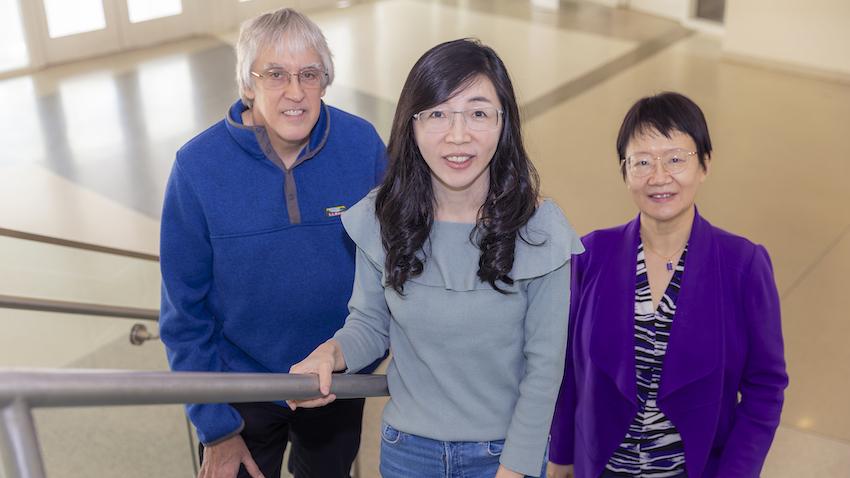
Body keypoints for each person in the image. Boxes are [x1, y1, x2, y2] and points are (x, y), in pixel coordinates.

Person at [287, 38, 583, 478]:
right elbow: (371, 324)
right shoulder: (382, 216)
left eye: (479, 113)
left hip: (505, 455)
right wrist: (331, 354)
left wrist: (515, 468)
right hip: (407, 451)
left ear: (504, 124)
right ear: (412, 124)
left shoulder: (539, 229)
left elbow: (545, 367)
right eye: (438, 114)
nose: (457, 136)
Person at [158, 8, 386, 478]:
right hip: (241, 387)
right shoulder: (197, 168)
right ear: (247, 84)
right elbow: (184, 314)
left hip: (334, 378)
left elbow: (391, 266)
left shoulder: (362, 146)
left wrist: (360, 358)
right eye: (275, 75)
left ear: (325, 81)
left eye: (309, 74)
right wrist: (215, 427)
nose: (295, 92)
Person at [547, 92, 788, 478]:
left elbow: (765, 388)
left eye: (676, 159)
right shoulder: (590, 256)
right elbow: (565, 370)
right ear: (624, 172)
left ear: (705, 164)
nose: (659, 177)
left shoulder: (743, 265)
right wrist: (560, 456)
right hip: (602, 468)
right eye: (642, 162)